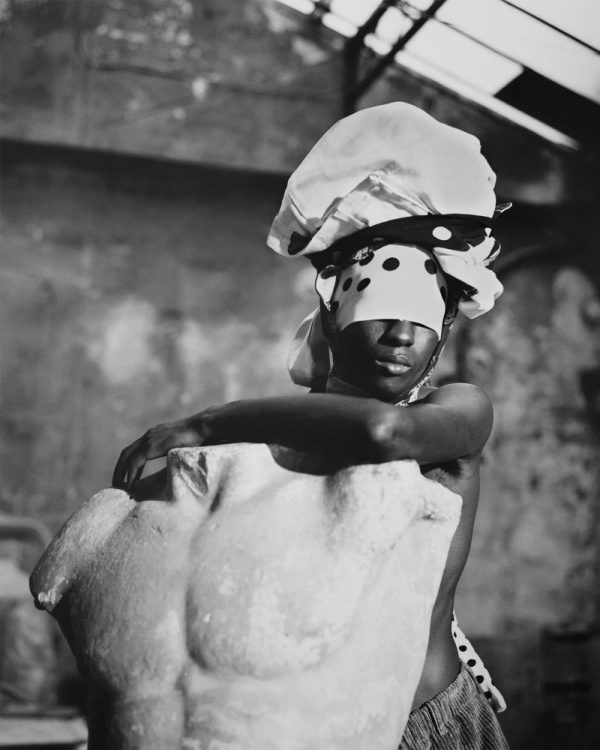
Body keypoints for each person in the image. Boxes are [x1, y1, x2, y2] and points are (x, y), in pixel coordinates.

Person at [112, 103, 510, 749]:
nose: (401, 335)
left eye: (423, 316)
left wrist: (208, 423)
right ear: (330, 313)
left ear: (446, 326)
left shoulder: (458, 411)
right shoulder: (275, 444)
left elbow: (383, 435)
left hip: (422, 726)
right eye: (379, 307)